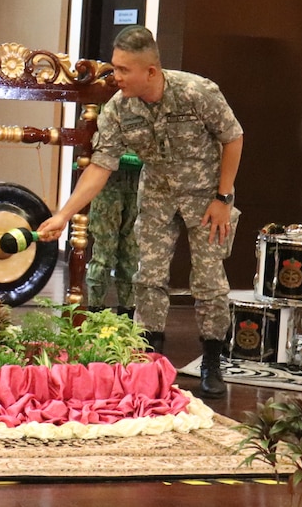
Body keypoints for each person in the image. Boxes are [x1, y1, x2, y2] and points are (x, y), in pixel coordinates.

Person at [38, 26, 243, 397]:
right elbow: (100, 167)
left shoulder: (197, 92)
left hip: (206, 198)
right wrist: (63, 214)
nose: (115, 77)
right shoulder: (118, 109)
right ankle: (149, 361)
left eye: (123, 70)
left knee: (209, 282)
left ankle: (213, 359)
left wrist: (223, 198)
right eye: (114, 67)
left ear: (151, 71)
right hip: (157, 195)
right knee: (147, 276)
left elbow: (233, 137)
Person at [84, 150, 141, 312]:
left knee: (131, 253)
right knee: (103, 253)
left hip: (140, 178)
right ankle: (95, 311)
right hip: (106, 177)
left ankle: (128, 315)